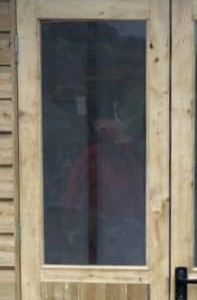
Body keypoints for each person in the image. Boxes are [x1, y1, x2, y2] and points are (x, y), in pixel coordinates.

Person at [57, 112, 145, 264]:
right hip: (99, 226)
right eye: (117, 137)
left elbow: (139, 188)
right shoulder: (91, 156)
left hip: (130, 226)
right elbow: (73, 190)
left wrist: (141, 221)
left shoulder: (129, 155)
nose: (121, 142)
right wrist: (68, 224)